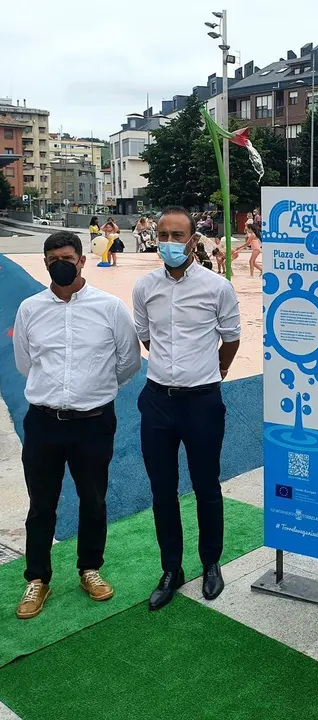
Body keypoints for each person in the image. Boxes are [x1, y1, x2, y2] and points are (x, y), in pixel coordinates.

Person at [12, 231, 141, 620]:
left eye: (66, 257)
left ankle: (90, 568)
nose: (59, 264)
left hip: (93, 422)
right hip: (44, 422)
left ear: (82, 260)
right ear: (45, 263)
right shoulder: (30, 309)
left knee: (93, 498)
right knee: (41, 504)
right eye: (51, 259)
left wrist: (98, 389)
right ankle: (38, 578)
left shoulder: (110, 308)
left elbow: (129, 360)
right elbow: (25, 363)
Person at [132, 207, 241, 611]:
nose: (170, 243)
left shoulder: (217, 287)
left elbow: (231, 337)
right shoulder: (144, 287)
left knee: (206, 485)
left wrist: (217, 370)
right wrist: (170, 370)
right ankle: (171, 568)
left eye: (178, 236)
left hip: (202, 402)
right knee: (162, 490)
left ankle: (211, 562)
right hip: (158, 400)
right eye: (163, 235)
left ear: (193, 241)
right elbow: (146, 336)